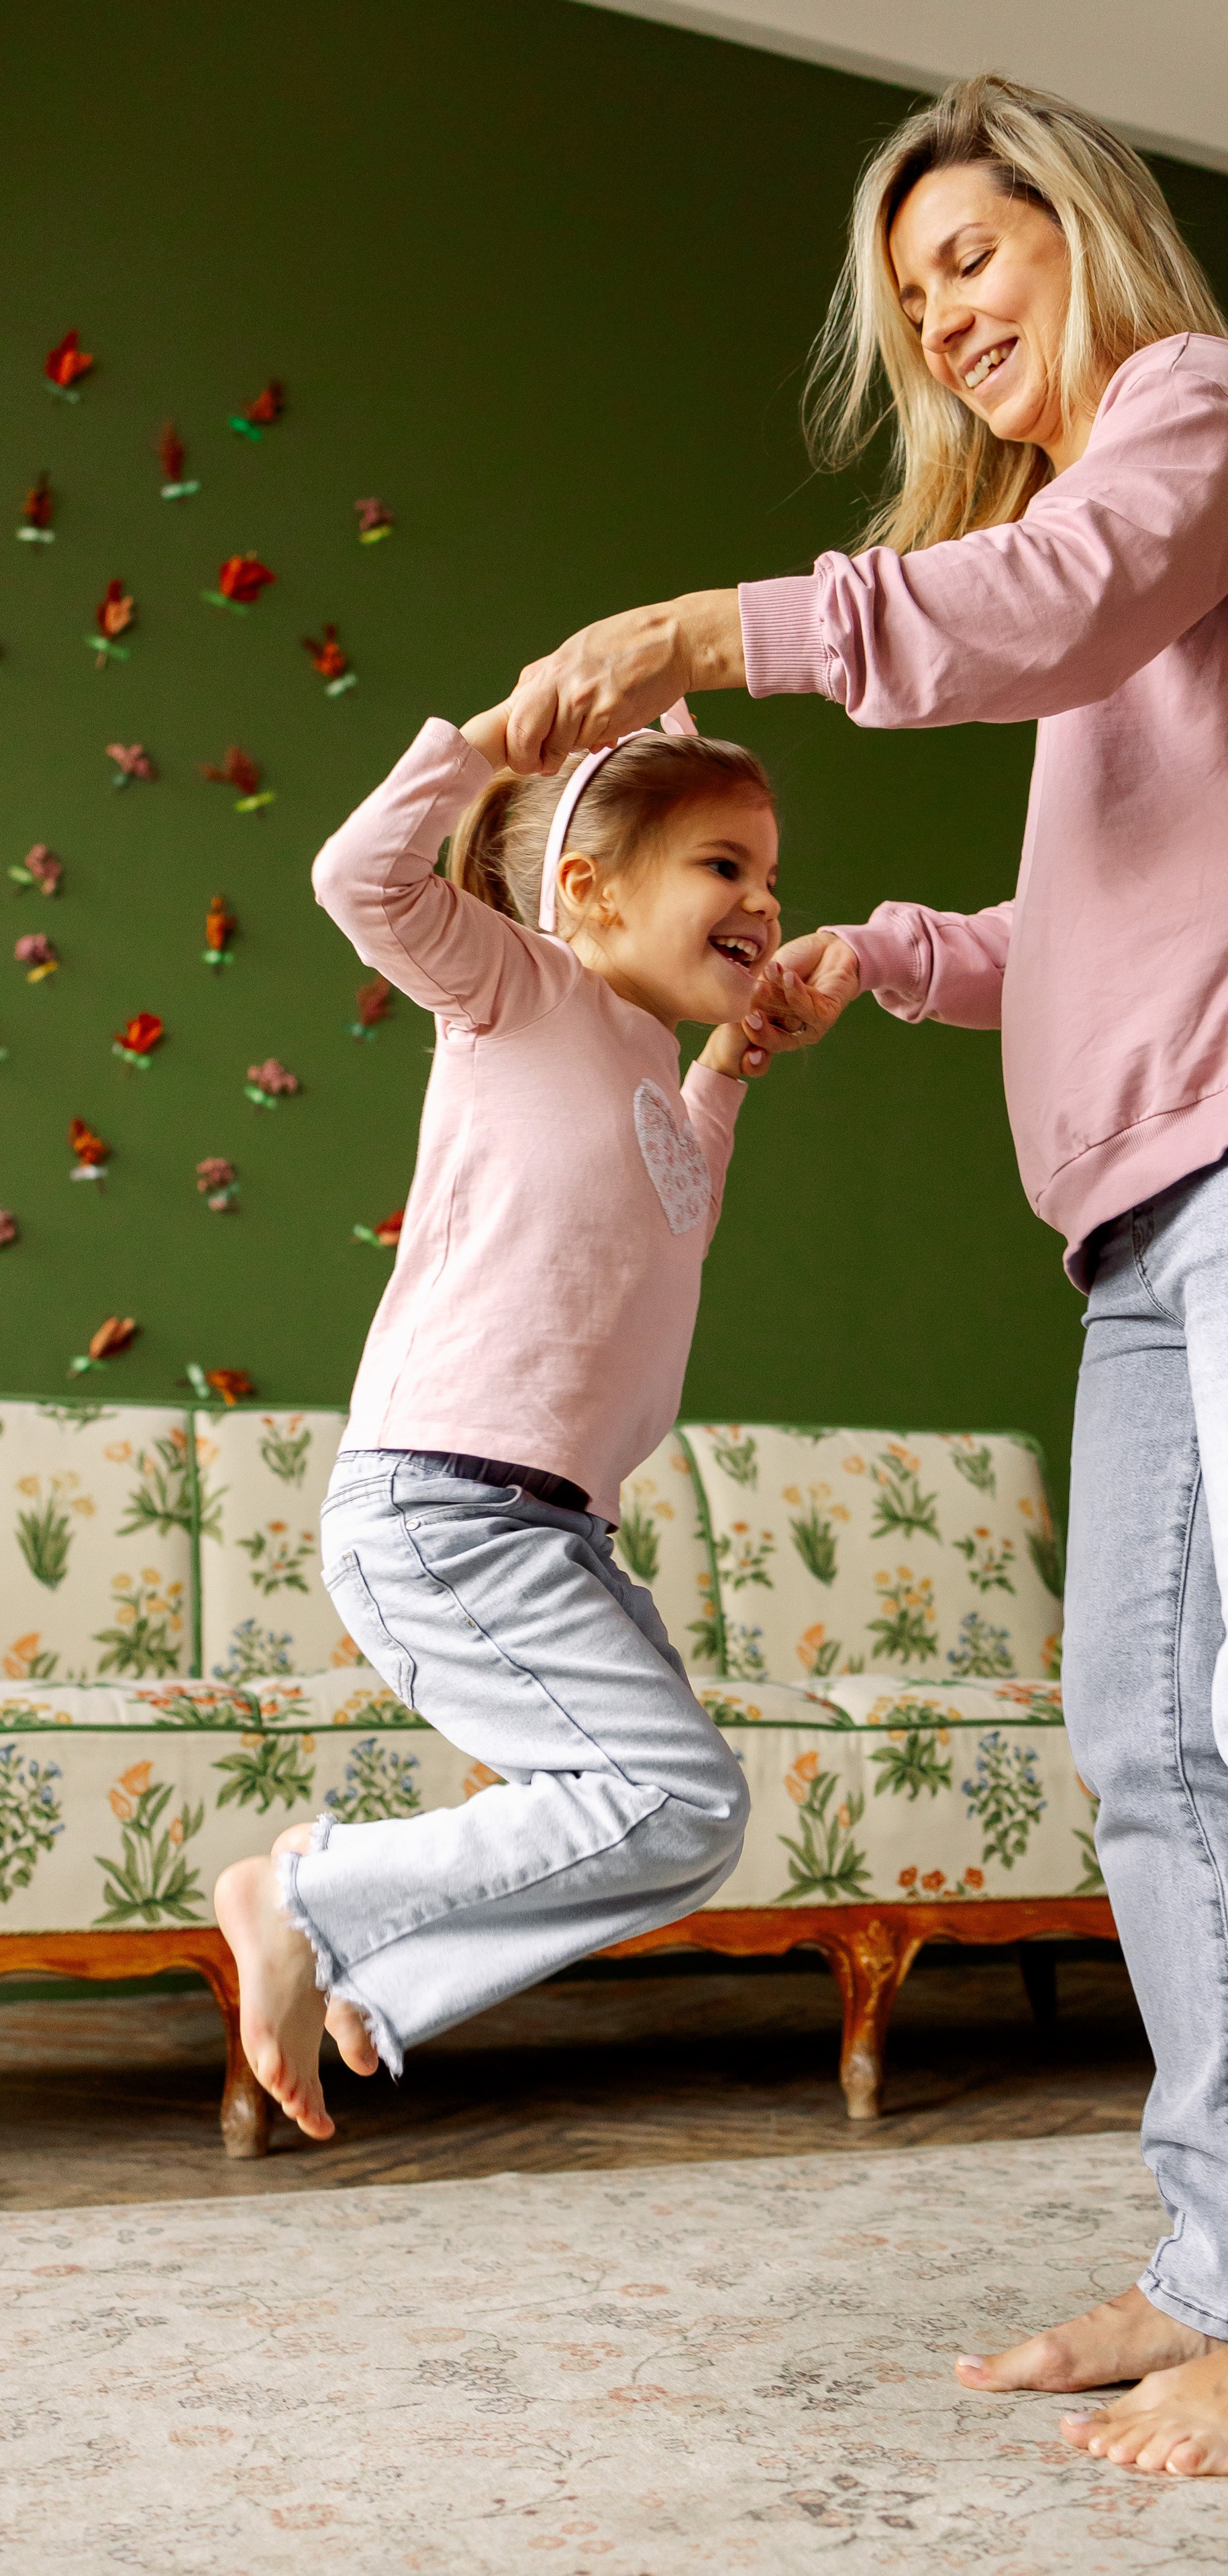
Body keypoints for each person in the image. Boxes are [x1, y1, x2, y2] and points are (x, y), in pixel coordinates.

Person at [492, 74, 1228, 2479]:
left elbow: (1046, 612)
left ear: (1079, 232)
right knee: (1155, 1743)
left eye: (970, 256)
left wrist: (705, 624)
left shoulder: (1200, 418)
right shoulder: (1121, 561)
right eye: (911, 293)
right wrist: (903, 955)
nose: (942, 313)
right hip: (1173, 1180)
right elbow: (1105, 920)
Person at [214, 691, 811, 2141]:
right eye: (722, 866)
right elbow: (357, 878)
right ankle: (296, 1898)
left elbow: (674, 1204)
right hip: (443, 1502)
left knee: (686, 1829)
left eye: (770, 873)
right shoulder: (519, 992)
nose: (764, 897)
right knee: (669, 1798)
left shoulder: (646, 1086)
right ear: (590, 891)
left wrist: (731, 1065)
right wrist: (489, 738)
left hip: (544, 1525)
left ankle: (379, 1969)